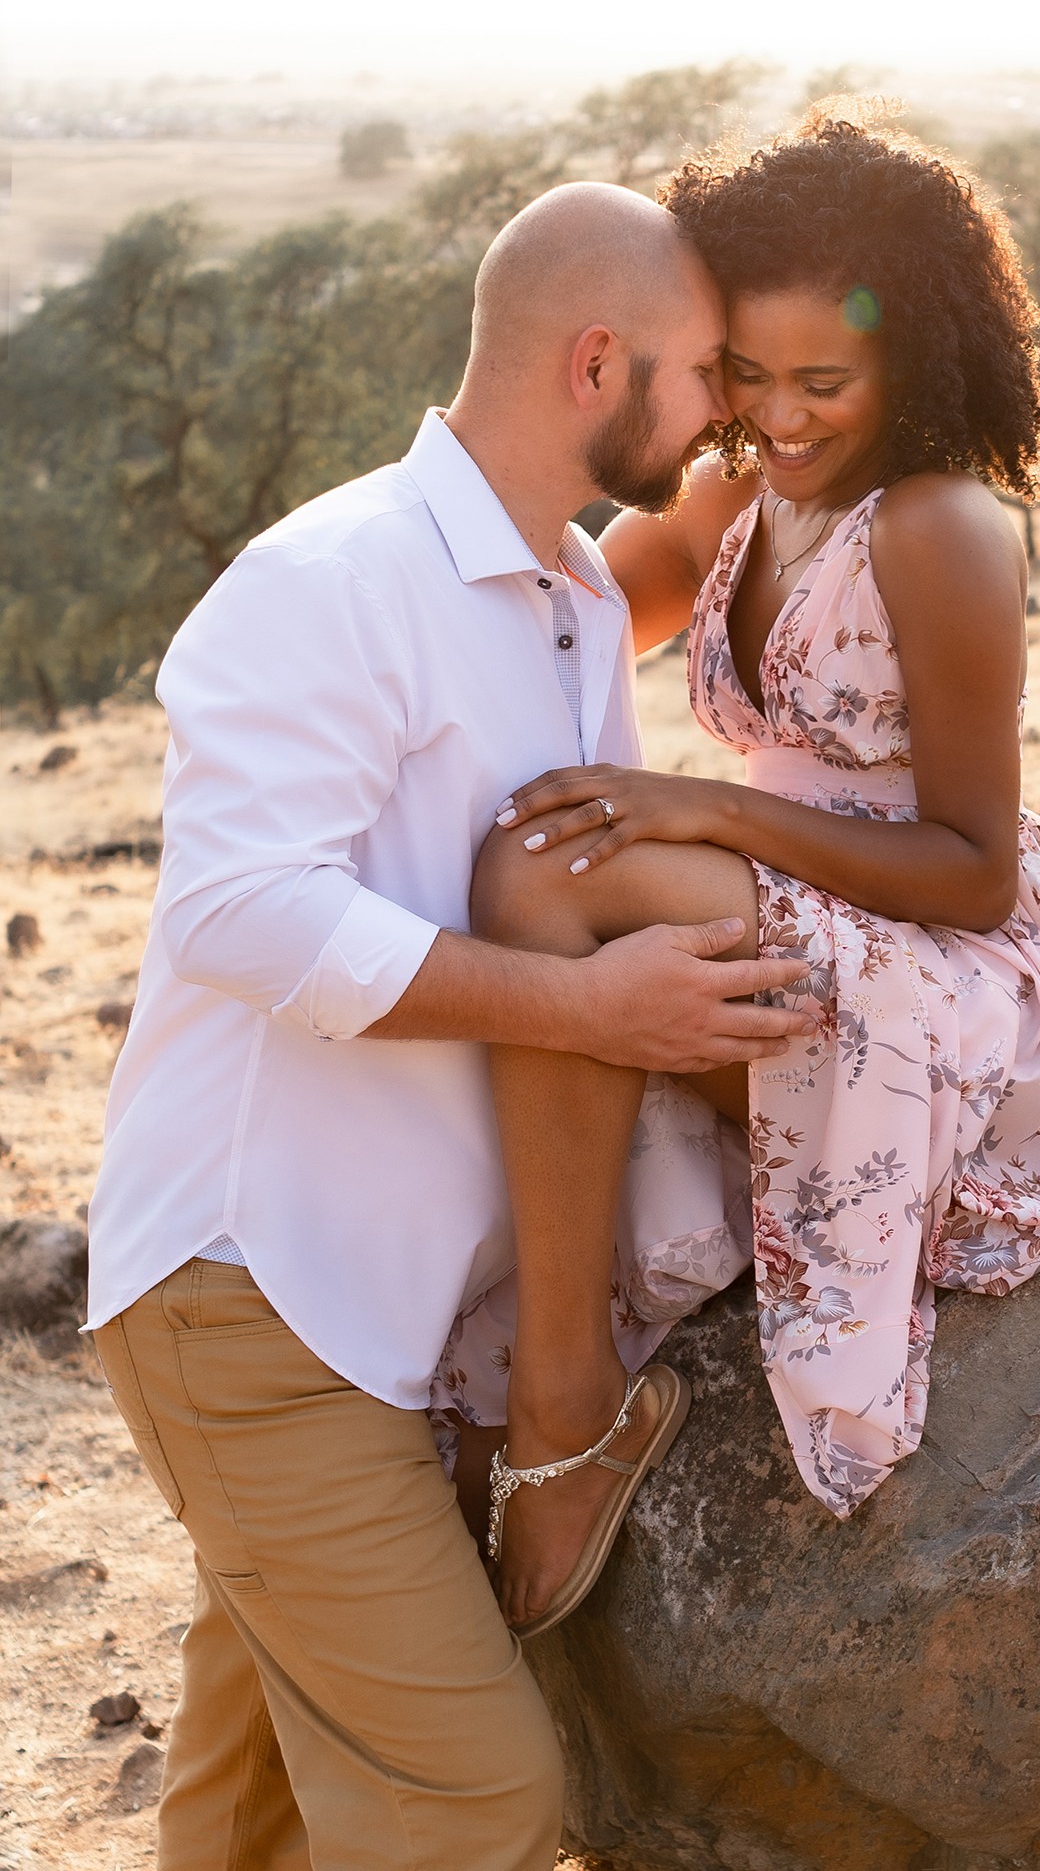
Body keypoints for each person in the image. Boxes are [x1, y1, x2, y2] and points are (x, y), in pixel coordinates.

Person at [83, 183, 812, 1871]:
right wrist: (583, 1003)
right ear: (596, 363)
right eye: (706, 375)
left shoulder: (563, 595)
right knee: (473, 1794)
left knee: (248, 1808)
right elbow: (236, 909)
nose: (723, 417)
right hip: (257, 1301)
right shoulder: (332, 577)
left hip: (379, 1319)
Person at [445, 109, 1040, 1636]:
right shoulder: (733, 502)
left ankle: (560, 1401)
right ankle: (557, 1383)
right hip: (799, 908)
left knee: (553, 882)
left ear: (914, 357)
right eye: (744, 376)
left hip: (960, 969)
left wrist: (710, 812)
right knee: (536, 862)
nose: (776, 417)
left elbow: (969, 871)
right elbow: (549, 599)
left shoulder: (941, 530)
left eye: (821, 382)